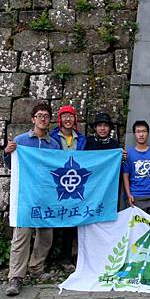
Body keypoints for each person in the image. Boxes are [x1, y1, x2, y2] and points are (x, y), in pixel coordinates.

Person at [3, 102, 60, 296]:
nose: (43, 119)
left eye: (46, 116)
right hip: (25, 196)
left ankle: (36, 268)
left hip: (46, 196)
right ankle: (16, 276)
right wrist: (7, 153)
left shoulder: (54, 144)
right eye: (40, 115)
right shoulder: (21, 141)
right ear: (33, 119)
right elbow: (12, 166)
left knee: (45, 235)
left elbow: (58, 169)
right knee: (22, 236)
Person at [48, 104, 85, 270]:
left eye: (71, 116)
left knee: (71, 221)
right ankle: (48, 258)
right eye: (65, 116)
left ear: (75, 119)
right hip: (56, 184)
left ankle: (66, 257)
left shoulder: (82, 139)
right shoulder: (51, 138)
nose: (68, 119)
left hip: (75, 184)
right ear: (60, 119)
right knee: (54, 222)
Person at [123, 120, 150, 222]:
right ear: (134, 134)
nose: (141, 134)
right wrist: (129, 195)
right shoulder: (128, 153)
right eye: (138, 131)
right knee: (136, 229)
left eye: (143, 131)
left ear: (147, 133)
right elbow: (125, 175)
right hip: (136, 197)